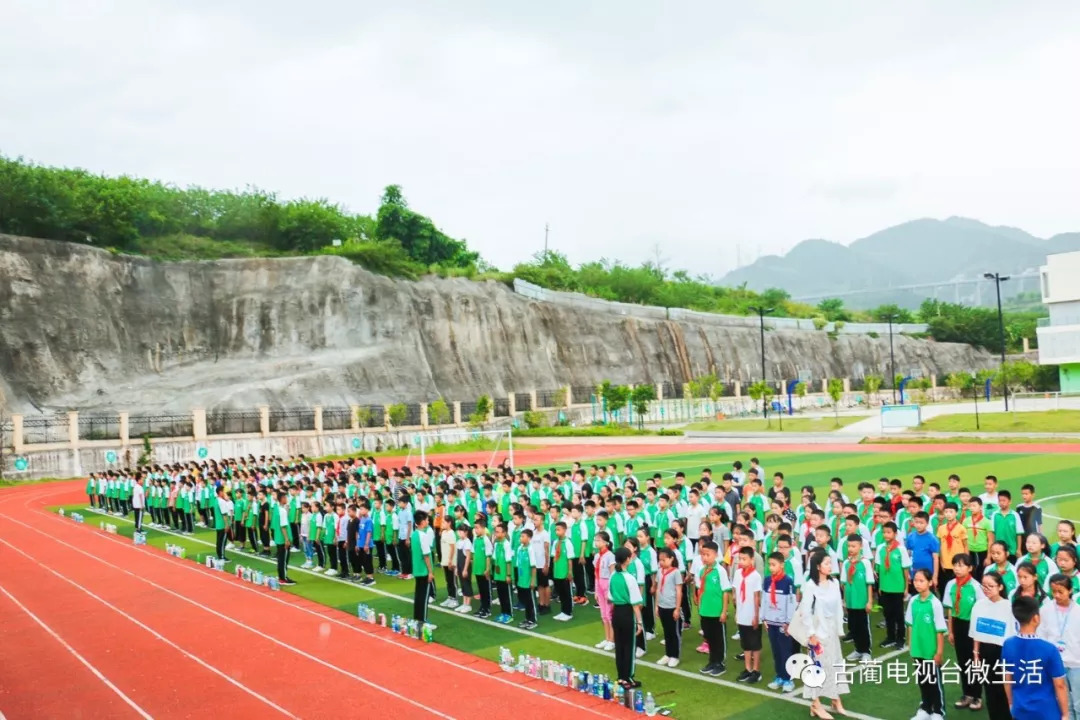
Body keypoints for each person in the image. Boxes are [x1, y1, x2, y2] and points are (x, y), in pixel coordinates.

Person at [799, 548, 849, 719]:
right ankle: (816, 704)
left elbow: (838, 608)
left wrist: (839, 628)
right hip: (817, 631)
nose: (830, 566)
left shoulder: (834, 583)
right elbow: (805, 611)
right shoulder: (811, 585)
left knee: (834, 663)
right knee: (817, 667)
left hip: (831, 630)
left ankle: (835, 699)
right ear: (818, 566)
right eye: (826, 563)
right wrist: (811, 634)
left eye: (830, 563)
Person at [1002, 595, 1068, 720]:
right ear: (1036, 618)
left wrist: (1011, 704)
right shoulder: (1049, 649)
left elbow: (1007, 679)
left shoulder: (1008, 644)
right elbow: (1060, 685)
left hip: (1020, 710)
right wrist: (1065, 714)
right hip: (1047, 712)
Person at [970, 572, 1016, 720]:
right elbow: (976, 633)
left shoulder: (1008, 607)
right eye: (984, 585)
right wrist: (976, 654)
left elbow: (1012, 634)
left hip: (1003, 654)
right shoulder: (979, 605)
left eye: (991, 586)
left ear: (1000, 587)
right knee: (989, 691)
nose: (987, 589)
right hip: (985, 653)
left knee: (1003, 691)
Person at [944, 553, 984, 711]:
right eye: (955, 565)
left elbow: (980, 610)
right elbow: (950, 610)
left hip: (972, 627)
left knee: (975, 662)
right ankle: (967, 693)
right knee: (962, 661)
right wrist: (950, 631)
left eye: (961, 565)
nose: (957, 568)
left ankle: (977, 696)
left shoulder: (976, 587)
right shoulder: (951, 585)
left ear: (970, 568)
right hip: (958, 625)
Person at [1036, 574, 1080, 720]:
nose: (1057, 595)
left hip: (1076, 663)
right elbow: (1041, 636)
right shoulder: (1046, 609)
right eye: (1054, 591)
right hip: (1055, 663)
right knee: (1063, 703)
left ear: (1070, 590)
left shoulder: (1078, 611)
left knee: (1078, 704)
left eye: (1061, 591)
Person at [907, 568, 947, 720]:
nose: (917, 583)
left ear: (930, 583)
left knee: (934, 682)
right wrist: (911, 645)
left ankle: (938, 712)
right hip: (918, 649)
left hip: (930, 650)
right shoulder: (913, 601)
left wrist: (939, 652)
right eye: (915, 580)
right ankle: (926, 708)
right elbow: (910, 625)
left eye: (921, 580)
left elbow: (939, 630)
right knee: (922, 680)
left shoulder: (935, 604)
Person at [609, 546, 645, 690]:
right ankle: (628, 677)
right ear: (628, 559)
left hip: (616, 612)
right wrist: (640, 622)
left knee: (620, 646)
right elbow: (636, 603)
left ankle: (620, 677)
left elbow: (610, 597)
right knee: (629, 646)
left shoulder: (613, 576)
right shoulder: (629, 578)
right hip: (626, 612)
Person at [695, 540, 732, 677]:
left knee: (718, 638)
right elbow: (700, 590)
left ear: (715, 555)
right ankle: (712, 661)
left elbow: (725, 591)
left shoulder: (720, 571)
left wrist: (723, 611)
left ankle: (720, 663)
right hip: (705, 610)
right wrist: (700, 608)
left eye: (707, 555)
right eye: (702, 555)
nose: (704, 557)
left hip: (716, 611)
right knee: (709, 637)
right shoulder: (701, 570)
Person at [763, 550, 797, 693]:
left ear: (782, 565)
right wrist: (763, 618)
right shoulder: (767, 580)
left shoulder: (788, 581)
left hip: (783, 623)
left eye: (774, 564)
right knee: (776, 650)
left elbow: (791, 602)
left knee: (785, 651)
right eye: (769, 565)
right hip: (771, 622)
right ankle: (779, 676)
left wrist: (789, 622)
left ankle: (788, 678)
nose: (771, 567)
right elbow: (764, 599)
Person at [876, 521, 911, 649]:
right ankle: (890, 636)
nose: (886, 535)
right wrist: (880, 586)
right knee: (888, 613)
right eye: (884, 532)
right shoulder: (881, 548)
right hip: (885, 587)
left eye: (889, 532)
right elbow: (879, 568)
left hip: (897, 587)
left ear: (895, 534)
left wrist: (906, 587)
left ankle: (900, 638)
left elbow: (905, 569)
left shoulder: (900, 549)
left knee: (898, 614)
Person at [841, 534, 874, 663]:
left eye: (853, 546)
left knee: (863, 627)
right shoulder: (846, 563)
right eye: (849, 546)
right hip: (850, 602)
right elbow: (844, 583)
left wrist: (870, 601)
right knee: (853, 626)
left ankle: (866, 651)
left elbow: (869, 583)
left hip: (862, 602)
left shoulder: (865, 563)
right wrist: (844, 600)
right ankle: (858, 649)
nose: (851, 548)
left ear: (860, 547)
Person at [733, 545, 763, 683]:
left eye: (744, 559)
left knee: (755, 644)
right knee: (745, 644)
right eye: (740, 559)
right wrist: (737, 612)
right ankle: (748, 668)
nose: (741, 562)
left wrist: (756, 616)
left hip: (752, 616)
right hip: (742, 614)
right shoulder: (738, 573)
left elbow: (757, 597)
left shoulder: (755, 576)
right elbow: (736, 593)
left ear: (752, 560)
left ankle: (756, 670)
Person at [654, 547, 684, 668]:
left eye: (664, 560)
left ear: (671, 559)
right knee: (666, 632)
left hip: (672, 606)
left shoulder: (676, 572)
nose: (661, 562)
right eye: (659, 560)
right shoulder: (659, 571)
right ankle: (668, 654)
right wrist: (656, 605)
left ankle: (675, 656)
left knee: (673, 632)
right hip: (662, 605)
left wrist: (677, 608)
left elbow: (679, 591)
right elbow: (657, 588)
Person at [410, 510, 435, 624]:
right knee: (424, 597)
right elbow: (426, 555)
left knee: (418, 595)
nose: (428, 521)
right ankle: (423, 621)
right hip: (424, 570)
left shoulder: (414, 534)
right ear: (423, 522)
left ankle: (417, 618)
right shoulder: (423, 536)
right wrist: (430, 571)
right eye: (426, 520)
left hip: (417, 569)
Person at [594, 531, 616, 649]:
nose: (596, 542)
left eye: (598, 540)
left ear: (606, 542)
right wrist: (597, 590)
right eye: (596, 540)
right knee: (603, 614)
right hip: (600, 584)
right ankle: (607, 638)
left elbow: (612, 574)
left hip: (607, 584)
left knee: (609, 613)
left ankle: (612, 640)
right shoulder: (597, 556)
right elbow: (596, 574)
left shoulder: (610, 556)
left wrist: (610, 591)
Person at [514, 527, 538, 629]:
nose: (521, 538)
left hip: (528, 580)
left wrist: (532, 581)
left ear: (529, 538)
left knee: (530, 601)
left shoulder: (531, 549)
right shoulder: (520, 548)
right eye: (520, 536)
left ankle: (533, 620)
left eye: (523, 536)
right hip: (521, 579)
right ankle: (527, 619)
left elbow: (533, 567)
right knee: (525, 601)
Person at [271, 491, 296, 585]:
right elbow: (283, 526)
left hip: (278, 537)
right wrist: (286, 539)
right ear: (281, 499)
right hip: (283, 538)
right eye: (285, 497)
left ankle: (281, 577)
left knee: (281, 559)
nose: (286, 499)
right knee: (284, 559)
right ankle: (283, 578)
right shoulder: (282, 510)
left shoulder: (277, 508)